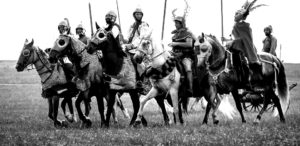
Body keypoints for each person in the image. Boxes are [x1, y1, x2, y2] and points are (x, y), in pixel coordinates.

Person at [222, 0, 266, 83]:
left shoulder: (244, 26)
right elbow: (234, 38)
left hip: (244, 47)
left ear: (242, 16)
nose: (235, 15)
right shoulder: (235, 26)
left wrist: (230, 42)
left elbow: (242, 39)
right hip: (235, 46)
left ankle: (248, 76)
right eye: (235, 13)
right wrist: (226, 40)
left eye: (237, 14)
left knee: (243, 60)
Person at [123, 8, 150, 94]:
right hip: (129, 48)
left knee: (136, 62)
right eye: (137, 14)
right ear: (134, 15)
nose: (138, 16)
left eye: (140, 14)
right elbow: (128, 38)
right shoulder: (132, 26)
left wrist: (131, 45)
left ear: (142, 15)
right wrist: (123, 39)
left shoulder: (144, 25)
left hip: (140, 48)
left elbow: (142, 37)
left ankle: (139, 82)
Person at [168, 15, 194, 96]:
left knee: (188, 69)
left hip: (185, 56)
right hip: (175, 55)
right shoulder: (175, 34)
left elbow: (189, 44)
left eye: (177, 23)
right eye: (175, 23)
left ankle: (190, 88)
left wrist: (175, 43)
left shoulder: (188, 33)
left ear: (182, 23)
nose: (175, 24)